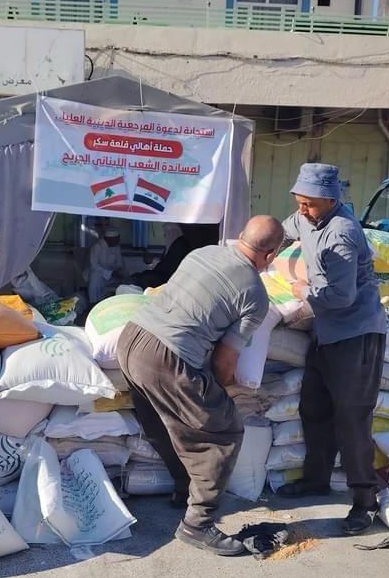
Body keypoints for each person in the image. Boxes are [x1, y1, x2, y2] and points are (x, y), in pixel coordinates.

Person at [116, 215, 285, 556]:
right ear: (271, 255)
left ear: (240, 237)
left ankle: (183, 489)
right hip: (167, 356)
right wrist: (223, 392)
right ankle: (198, 524)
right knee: (222, 430)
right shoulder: (254, 292)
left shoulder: (203, 252)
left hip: (130, 339)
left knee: (163, 422)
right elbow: (225, 362)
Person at [276, 163, 387, 535]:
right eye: (299, 203)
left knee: (352, 420)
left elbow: (341, 296)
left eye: (309, 205)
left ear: (330, 199)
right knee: (314, 407)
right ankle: (316, 479)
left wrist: (300, 295)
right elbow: (283, 231)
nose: (302, 211)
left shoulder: (342, 233)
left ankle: (365, 502)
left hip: (355, 335)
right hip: (325, 333)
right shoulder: (307, 217)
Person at [88, 226, 124, 303]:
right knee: (95, 276)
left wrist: (118, 271)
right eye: (117, 239)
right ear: (109, 239)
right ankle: (93, 303)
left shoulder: (116, 247)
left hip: (113, 276)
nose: (119, 241)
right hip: (99, 275)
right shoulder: (97, 246)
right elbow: (94, 265)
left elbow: (120, 263)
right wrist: (110, 273)